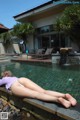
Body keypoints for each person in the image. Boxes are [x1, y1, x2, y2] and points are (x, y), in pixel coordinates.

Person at [0, 70, 77, 108]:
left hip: (14, 86)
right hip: (22, 79)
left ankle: (58, 100)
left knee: (36, 95)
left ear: (5, 75)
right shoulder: (14, 77)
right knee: (44, 91)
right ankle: (65, 95)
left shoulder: (4, 78)